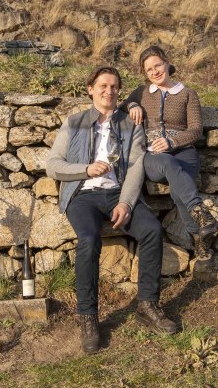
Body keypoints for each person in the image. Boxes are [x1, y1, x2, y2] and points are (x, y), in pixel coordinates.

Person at [46, 66, 178, 354]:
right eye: (103, 86)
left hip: (118, 194)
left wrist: (126, 203)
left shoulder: (131, 125)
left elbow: (136, 166)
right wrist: (85, 169)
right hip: (83, 195)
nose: (109, 91)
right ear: (90, 89)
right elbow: (53, 165)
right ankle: (88, 317)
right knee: (89, 239)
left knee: (152, 230)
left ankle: (147, 305)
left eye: (114, 86)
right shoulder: (74, 122)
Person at [121, 46, 218, 268]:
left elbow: (196, 130)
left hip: (185, 153)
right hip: (154, 157)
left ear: (167, 63)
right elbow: (120, 108)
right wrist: (133, 104)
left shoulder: (188, 94)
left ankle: (199, 239)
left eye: (157, 65)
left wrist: (172, 142)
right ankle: (202, 214)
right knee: (167, 162)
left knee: (178, 191)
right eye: (149, 70)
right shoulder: (141, 92)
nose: (155, 72)